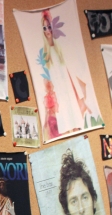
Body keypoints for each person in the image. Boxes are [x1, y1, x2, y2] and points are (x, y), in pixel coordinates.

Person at [40, 10, 89, 138]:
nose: (47, 30)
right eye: (44, 28)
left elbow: (70, 72)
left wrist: (78, 92)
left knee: (75, 118)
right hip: (58, 91)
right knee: (65, 120)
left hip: (68, 88)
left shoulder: (60, 49)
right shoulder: (45, 54)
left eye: (49, 27)